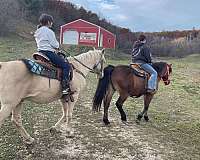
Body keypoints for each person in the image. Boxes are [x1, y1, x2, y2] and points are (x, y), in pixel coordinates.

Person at [34, 13, 72, 97]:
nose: (52, 23)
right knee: (66, 66)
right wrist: (58, 47)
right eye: (51, 22)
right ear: (48, 22)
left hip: (40, 52)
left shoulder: (37, 31)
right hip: (48, 53)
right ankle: (65, 87)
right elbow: (54, 44)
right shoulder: (49, 31)